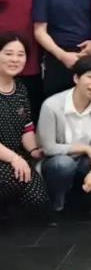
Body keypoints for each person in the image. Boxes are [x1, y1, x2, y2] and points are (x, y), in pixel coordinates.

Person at [37, 57, 91, 214]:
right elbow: (48, 148)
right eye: (90, 76)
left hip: (83, 160)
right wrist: (85, 148)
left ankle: (78, 196)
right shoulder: (52, 105)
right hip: (55, 160)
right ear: (76, 78)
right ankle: (57, 202)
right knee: (63, 165)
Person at [0, 34, 48, 215]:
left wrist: (34, 151)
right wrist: (14, 159)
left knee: (38, 199)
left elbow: (26, 127)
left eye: (20, 55)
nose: (15, 59)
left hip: (15, 155)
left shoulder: (20, 88)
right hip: (8, 157)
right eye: (8, 53)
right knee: (12, 180)